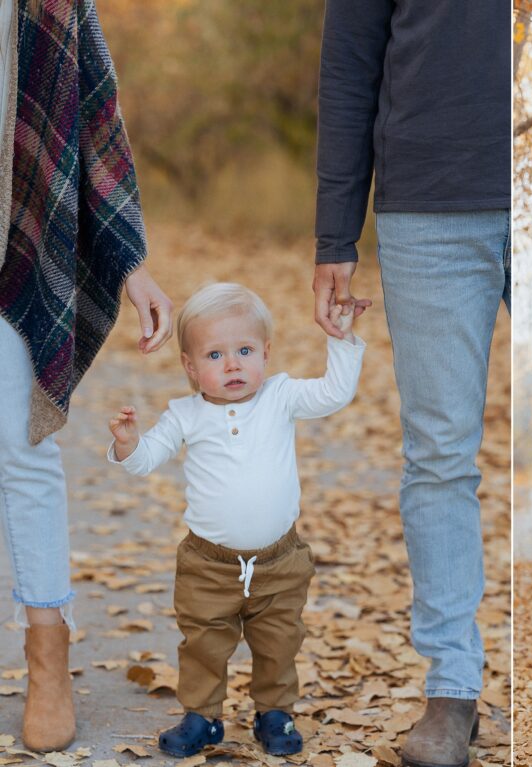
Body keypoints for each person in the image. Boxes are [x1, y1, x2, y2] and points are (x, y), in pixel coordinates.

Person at [313, 3, 510, 766]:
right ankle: (452, 689)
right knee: (438, 454)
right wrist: (336, 231)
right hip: (430, 203)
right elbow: (349, 65)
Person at [0, 0, 173, 752]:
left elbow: (93, 117)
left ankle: (48, 652)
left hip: (13, 248)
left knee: (23, 444)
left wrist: (129, 265)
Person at [107, 283, 365, 758]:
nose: (232, 365)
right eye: (215, 354)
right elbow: (146, 460)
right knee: (203, 643)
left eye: (245, 350)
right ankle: (203, 718)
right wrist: (128, 442)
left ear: (265, 353)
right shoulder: (185, 415)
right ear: (190, 366)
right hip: (208, 565)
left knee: (279, 643)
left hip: (279, 562)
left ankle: (275, 712)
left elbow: (334, 393)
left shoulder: (281, 396)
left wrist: (343, 340)